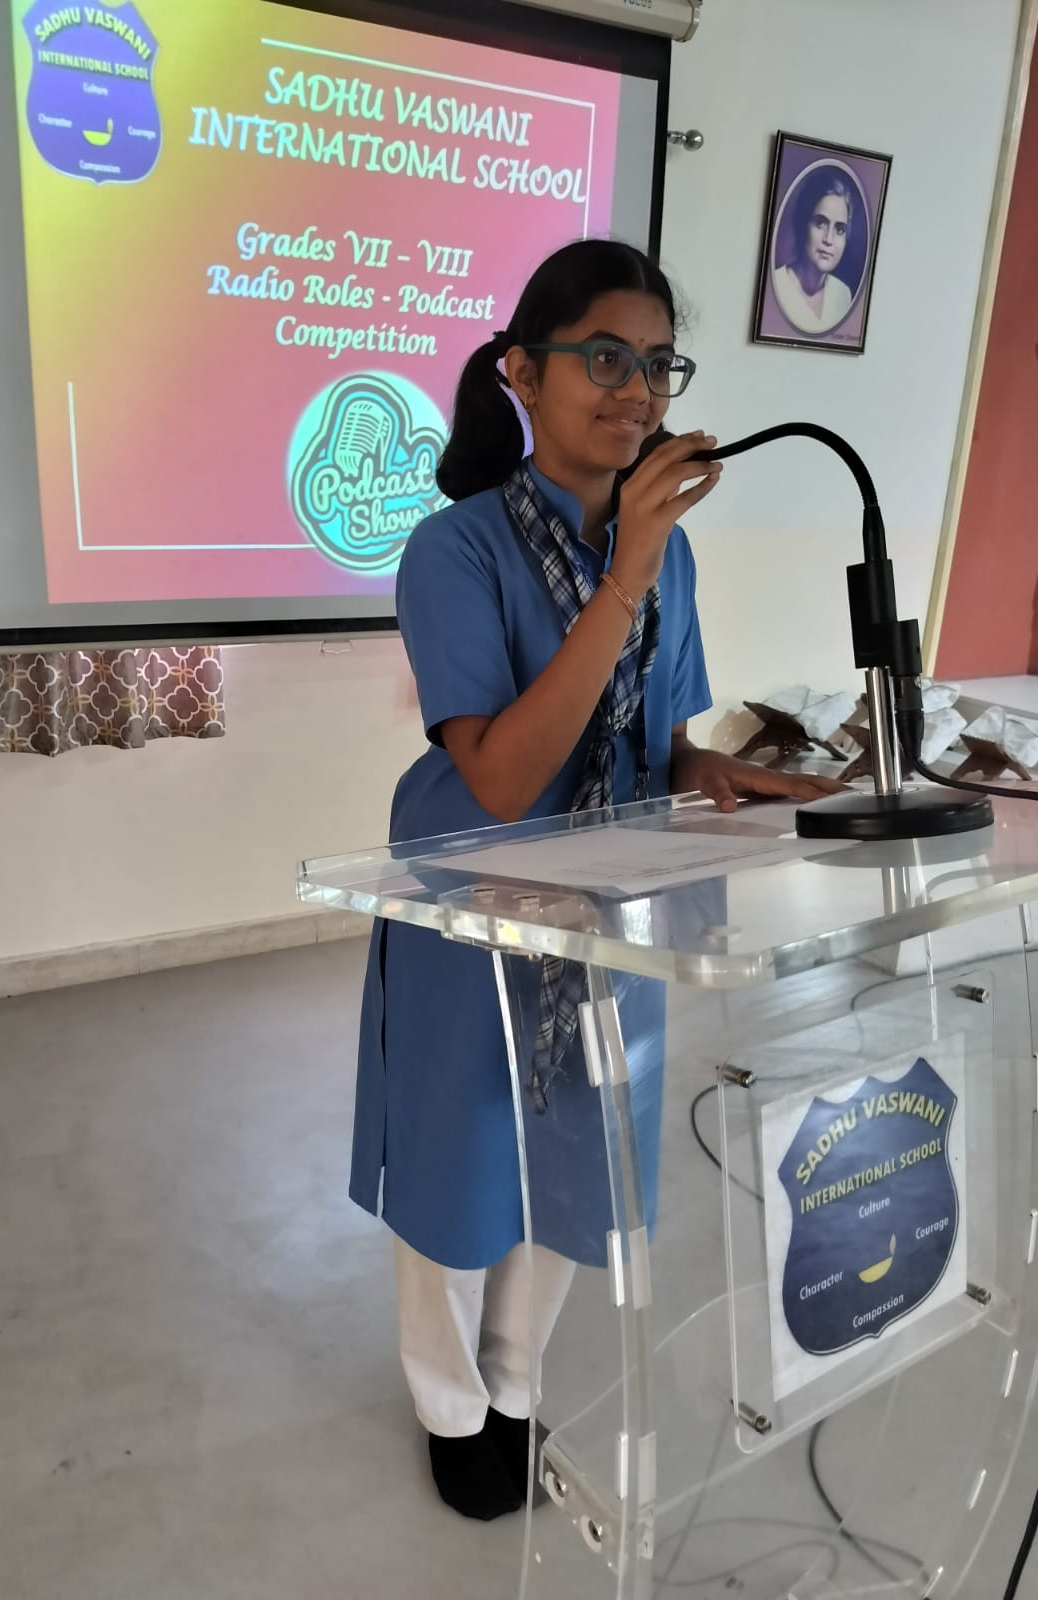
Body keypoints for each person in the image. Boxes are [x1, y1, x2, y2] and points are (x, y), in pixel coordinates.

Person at [351, 239, 844, 1522]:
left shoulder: (667, 554)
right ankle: (451, 1402)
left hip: (616, 908)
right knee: (459, 1165)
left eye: (659, 364)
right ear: (523, 371)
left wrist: (726, 772)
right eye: (606, 357)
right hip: (476, 907)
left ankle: (515, 1380)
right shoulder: (454, 550)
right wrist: (623, 570)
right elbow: (504, 777)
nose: (639, 391)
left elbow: (661, 740)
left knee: (581, 1158)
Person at [773, 168, 859, 336]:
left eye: (840, 229)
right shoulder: (777, 286)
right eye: (820, 223)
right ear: (802, 224)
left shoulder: (842, 294)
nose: (829, 239)